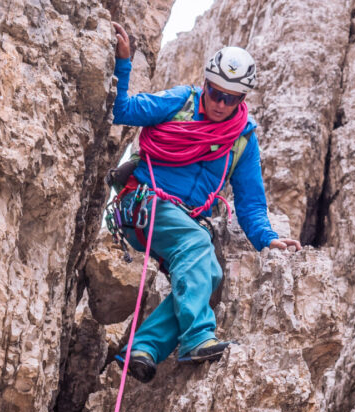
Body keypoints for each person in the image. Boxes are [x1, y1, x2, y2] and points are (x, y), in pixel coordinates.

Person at [110, 22, 301, 383]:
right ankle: (197, 338)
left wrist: (267, 238)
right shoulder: (179, 102)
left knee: (210, 274)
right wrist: (123, 63)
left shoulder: (242, 140)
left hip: (181, 221)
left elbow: (250, 203)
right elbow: (123, 111)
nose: (220, 104)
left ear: (242, 100)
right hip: (144, 205)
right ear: (206, 85)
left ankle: (144, 347)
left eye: (232, 99)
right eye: (215, 93)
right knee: (197, 243)